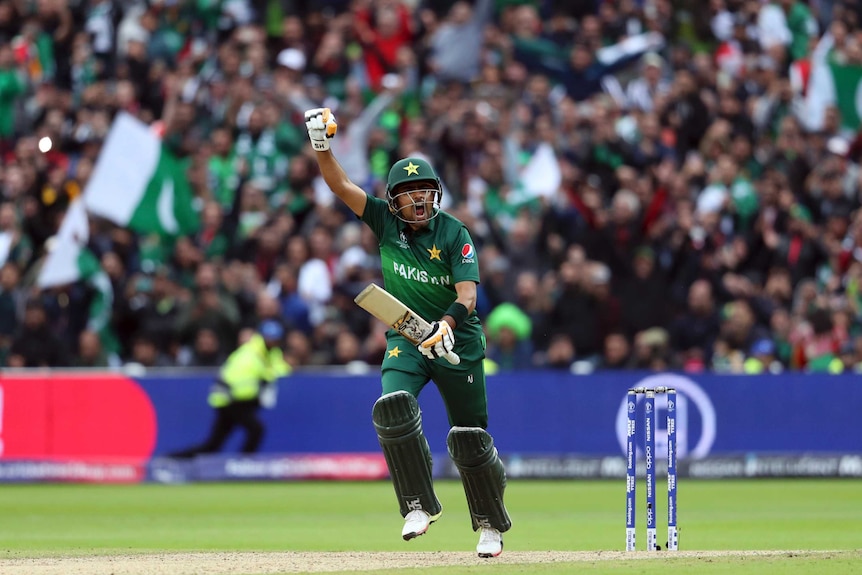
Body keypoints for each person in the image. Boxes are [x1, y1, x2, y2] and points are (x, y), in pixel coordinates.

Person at [304, 107, 511, 558]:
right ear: (393, 199)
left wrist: (447, 325)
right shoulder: (384, 221)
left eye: (423, 190)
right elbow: (340, 185)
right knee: (393, 406)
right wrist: (322, 145)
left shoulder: (455, 232)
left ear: (436, 193)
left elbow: (469, 295)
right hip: (408, 336)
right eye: (407, 192)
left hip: (458, 339)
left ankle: (490, 524)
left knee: (470, 438)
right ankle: (418, 504)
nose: (417, 199)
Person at [170, 320, 291, 457]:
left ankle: (173, 458)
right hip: (230, 402)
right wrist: (263, 381)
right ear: (262, 337)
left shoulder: (272, 353)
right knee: (256, 429)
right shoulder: (248, 354)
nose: (272, 342)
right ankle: (244, 463)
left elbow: (281, 369)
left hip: (242, 403)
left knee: (213, 445)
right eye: (270, 338)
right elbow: (235, 381)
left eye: (275, 339)